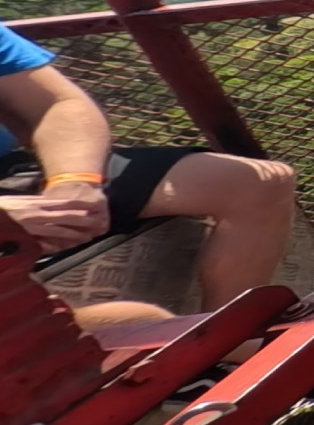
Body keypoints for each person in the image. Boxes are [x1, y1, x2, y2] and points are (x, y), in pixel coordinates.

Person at [0, 18, 296, 313]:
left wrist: (74, 181)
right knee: (134, 318)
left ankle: (233, 338)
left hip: (10, 172)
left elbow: (56, 104)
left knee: (254, 182)